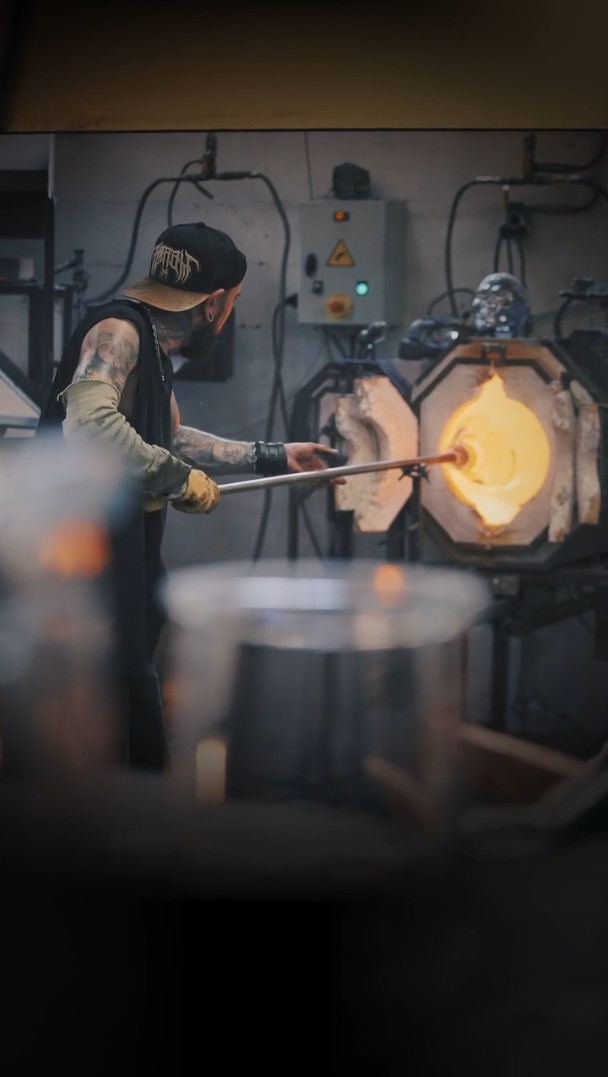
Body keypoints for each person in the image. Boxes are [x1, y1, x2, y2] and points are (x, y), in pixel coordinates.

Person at [38, 220, 337, 771]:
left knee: (132, 691)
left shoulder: (152, 349)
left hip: (124, 554)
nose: (230, 315)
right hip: (78, 565)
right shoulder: (118, 332)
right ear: (214, 302)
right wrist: (176, 479)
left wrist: (273, 455)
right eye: (233, 302)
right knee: (103, 714)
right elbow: (91, 426)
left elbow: (168, 438)